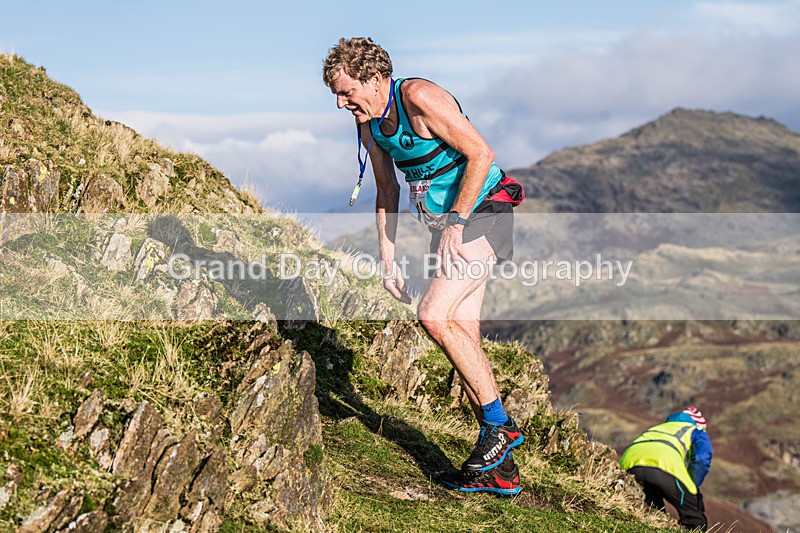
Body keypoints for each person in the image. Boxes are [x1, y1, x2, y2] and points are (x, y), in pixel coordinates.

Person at [322, 37, 525, 495]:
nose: (340, 103)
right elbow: (386, 189)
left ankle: (501, 427)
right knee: (462, 336)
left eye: (346, 91)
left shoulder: (418, 98)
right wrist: (388, 258)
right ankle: (501, 473)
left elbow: (481, 154)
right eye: (335, 94)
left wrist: (456, 222)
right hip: (450, 226)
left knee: (433, 315)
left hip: (484, 212)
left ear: (376, 80)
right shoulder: (369, 123)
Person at [619, 406, 713, 531]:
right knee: (695, 520)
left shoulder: (658, 428)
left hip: (629, 464)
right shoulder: (696, 430)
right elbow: (702, 458)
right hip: (663, 464)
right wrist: (692, 486)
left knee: (653, 514)